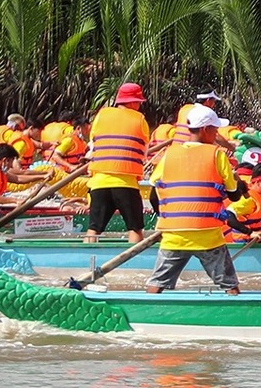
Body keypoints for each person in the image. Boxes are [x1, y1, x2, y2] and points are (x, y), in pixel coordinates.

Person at [145, 104, 241, 295]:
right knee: (229, 284)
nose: (216, 135)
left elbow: (154, 189)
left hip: (174, 233)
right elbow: (234, 194)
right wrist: (237, 182)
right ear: (205, 130)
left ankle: (145, 310)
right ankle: (240, 311)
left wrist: (165, 218)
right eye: (215, 130)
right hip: (207, 234)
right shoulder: (217, 154)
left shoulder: (169, 154)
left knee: (157, 281)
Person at [85, 83, 152, 245]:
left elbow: (92, 145)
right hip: (126, 183)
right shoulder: (140, 120)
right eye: (138, 101)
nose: (139, 105)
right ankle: (134, 262)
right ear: (131, 102)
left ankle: (86, 258)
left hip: (99, 182)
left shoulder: (101, 116)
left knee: (94, 228)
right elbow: (143, 153)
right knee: (135, 228)